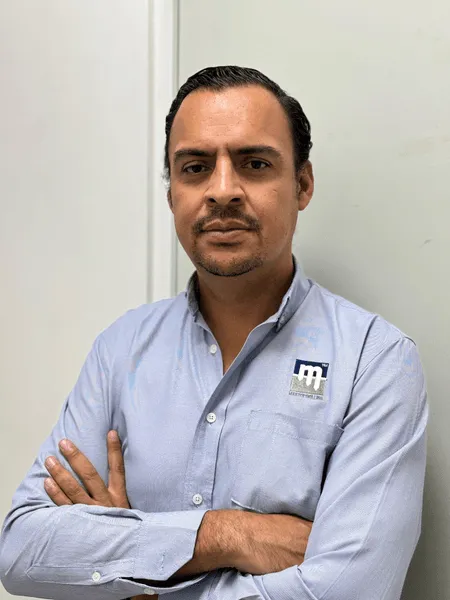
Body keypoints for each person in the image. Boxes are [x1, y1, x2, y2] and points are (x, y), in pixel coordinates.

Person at [0, 65, 427, 600]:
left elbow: (350, 590)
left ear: (302, 184)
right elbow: (21, 549)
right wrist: (228, 535)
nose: (222, 191)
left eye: (254, 163)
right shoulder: (122, 349)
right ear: (172, 190)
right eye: (196, 167)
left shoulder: (377, 361)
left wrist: (135, 572)